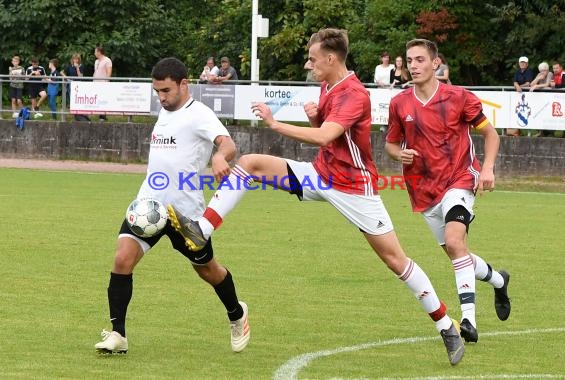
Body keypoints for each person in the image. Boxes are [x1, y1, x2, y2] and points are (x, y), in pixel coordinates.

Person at [168, 28, 465, 366]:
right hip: (321, 174)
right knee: (249, 164)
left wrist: (276, 124)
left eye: (312, 59)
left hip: (354, 187)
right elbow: (329, 130)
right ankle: (201, 231)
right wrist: (315, 114)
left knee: (396, 261)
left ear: (330, 58)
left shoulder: (355, 93)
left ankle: (446, 326)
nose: (308, 65)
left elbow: (326, 135)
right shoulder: (326, 85)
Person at [94, 57, 250, 355]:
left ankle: (236, 313)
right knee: (122, 260)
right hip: (148, 206)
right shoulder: (164, 112)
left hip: (185, 215)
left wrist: (219, 157)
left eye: (166, 91)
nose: (161, 98)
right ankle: (118, 334)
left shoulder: (200, 114)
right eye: (157, 92)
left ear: (184, 84)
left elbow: (226, 143)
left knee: (208, 271)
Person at [385, 38, 511, 345]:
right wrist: (397, 154)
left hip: (459, 179)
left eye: (419, 60)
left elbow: (490, 134)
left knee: (456, 242)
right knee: (457, 253)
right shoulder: (399, 103)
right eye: (409, 60)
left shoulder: (458, 97)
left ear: (435, 64)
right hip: (424, 190)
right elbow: (390, 143)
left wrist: (488, 169)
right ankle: (498, 279)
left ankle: (468, 321)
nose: (413, 65)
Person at [61, 53, 90, 122]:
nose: (75, 60)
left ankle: (80, 114)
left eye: (76, 59)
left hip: (79, 84)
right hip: (71, 84)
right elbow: (61, 72)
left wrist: (77, 68)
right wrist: (67, 78)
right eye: (74, 59)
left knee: (78, 99)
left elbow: (81, 76)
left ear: (79, 60)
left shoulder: (81, 66)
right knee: (72, 99)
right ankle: (75, 114)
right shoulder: (69, 66)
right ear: (72, 59)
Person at [550, 61, 565, 138]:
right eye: (554, 68)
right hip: (558, 98)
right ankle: (553, 132)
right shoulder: (554, 75)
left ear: (561, 68)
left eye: (557, 68)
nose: (555, 69)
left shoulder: (564, 74)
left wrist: (555, 85)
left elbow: (564, 85)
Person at [94, 46, 113, 121]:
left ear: (99, 52)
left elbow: (109, 72)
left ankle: (102, 116)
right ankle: (100, 114)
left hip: (103, 83)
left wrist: (106, 82)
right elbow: (95, 72)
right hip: (96, 83)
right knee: (97, 100)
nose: (94, 53)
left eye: (95, 52)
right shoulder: (96, 61)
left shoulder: (107, 60)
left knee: (103, 100)